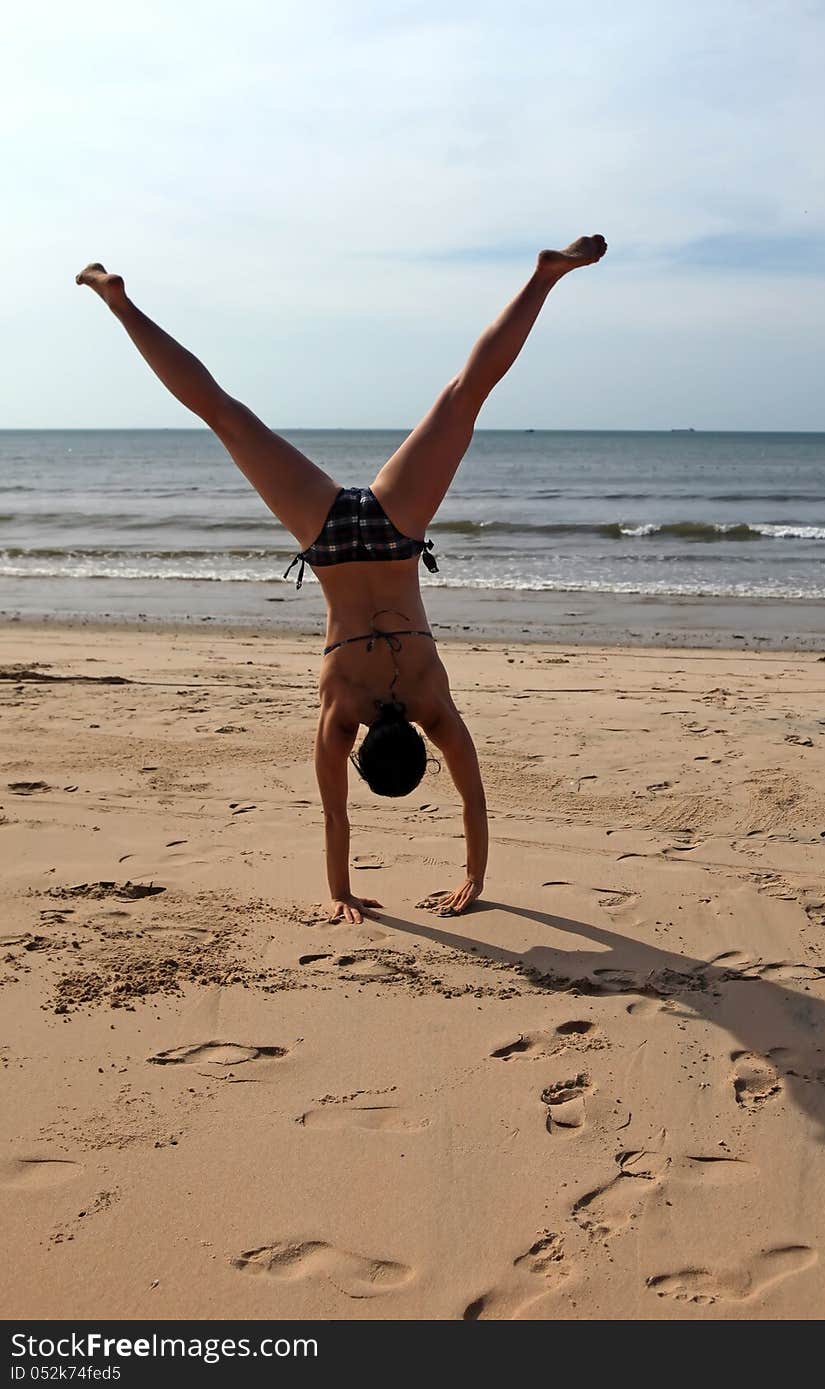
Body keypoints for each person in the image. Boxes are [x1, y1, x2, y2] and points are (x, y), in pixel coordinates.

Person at [76, 234, 607, 923]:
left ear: (419, 744)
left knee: (465, 396)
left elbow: (474, 798)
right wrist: (340, 892)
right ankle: (118, 303)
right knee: (223, 415)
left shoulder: (433, 704)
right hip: (325, 537)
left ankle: (543, 280)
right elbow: (337, 818)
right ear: (363, 753)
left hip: (394, 531)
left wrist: (475, 872)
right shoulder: (340, 719)